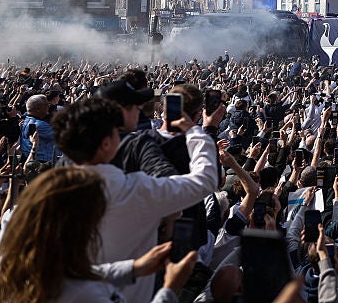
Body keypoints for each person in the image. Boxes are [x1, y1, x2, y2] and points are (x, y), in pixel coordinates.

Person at [52, 96, 218, 303]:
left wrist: (133, 268)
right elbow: (205, 181)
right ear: (106, 143)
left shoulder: (47, 193)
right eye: (117, 132)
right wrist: (196, 131)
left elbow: (75, 276)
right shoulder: (137, 190)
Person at [0, 166, 197, 303]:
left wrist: (133, 269)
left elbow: (72, 276)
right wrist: (170, 289)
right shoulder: (85, 294)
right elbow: (77, 284)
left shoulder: (11, 265)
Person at [19, 94, 56, 163]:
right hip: (42, 162)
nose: (49, 106)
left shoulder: (26, 120)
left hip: (31, 159)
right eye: (46, 105)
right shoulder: (39, 125)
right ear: (38, 109)